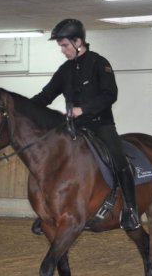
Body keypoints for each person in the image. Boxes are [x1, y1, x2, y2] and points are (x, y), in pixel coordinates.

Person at [29, 18, 141, 232]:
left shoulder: (99, 63)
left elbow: (110, 94)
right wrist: (21, 107)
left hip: (101, 126)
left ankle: (131, 209)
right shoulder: (64, 70)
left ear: (78, 41)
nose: (62, 50)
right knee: (51, 160)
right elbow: (45, 96)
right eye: (61, 46)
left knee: (119, 160)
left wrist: (83, 109)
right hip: (73, 128)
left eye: (65, 45)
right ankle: (48, 211)